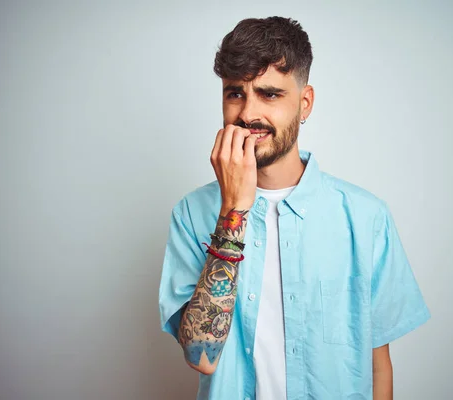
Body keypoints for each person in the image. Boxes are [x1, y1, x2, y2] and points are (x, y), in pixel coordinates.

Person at [158, 16, 430, 400]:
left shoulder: (366, 218)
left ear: (305, 104)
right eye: (235, 93)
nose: (249, 113)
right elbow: (201, 355)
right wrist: (234, 208)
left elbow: (376, 365)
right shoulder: (191, 213)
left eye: (269, 94)